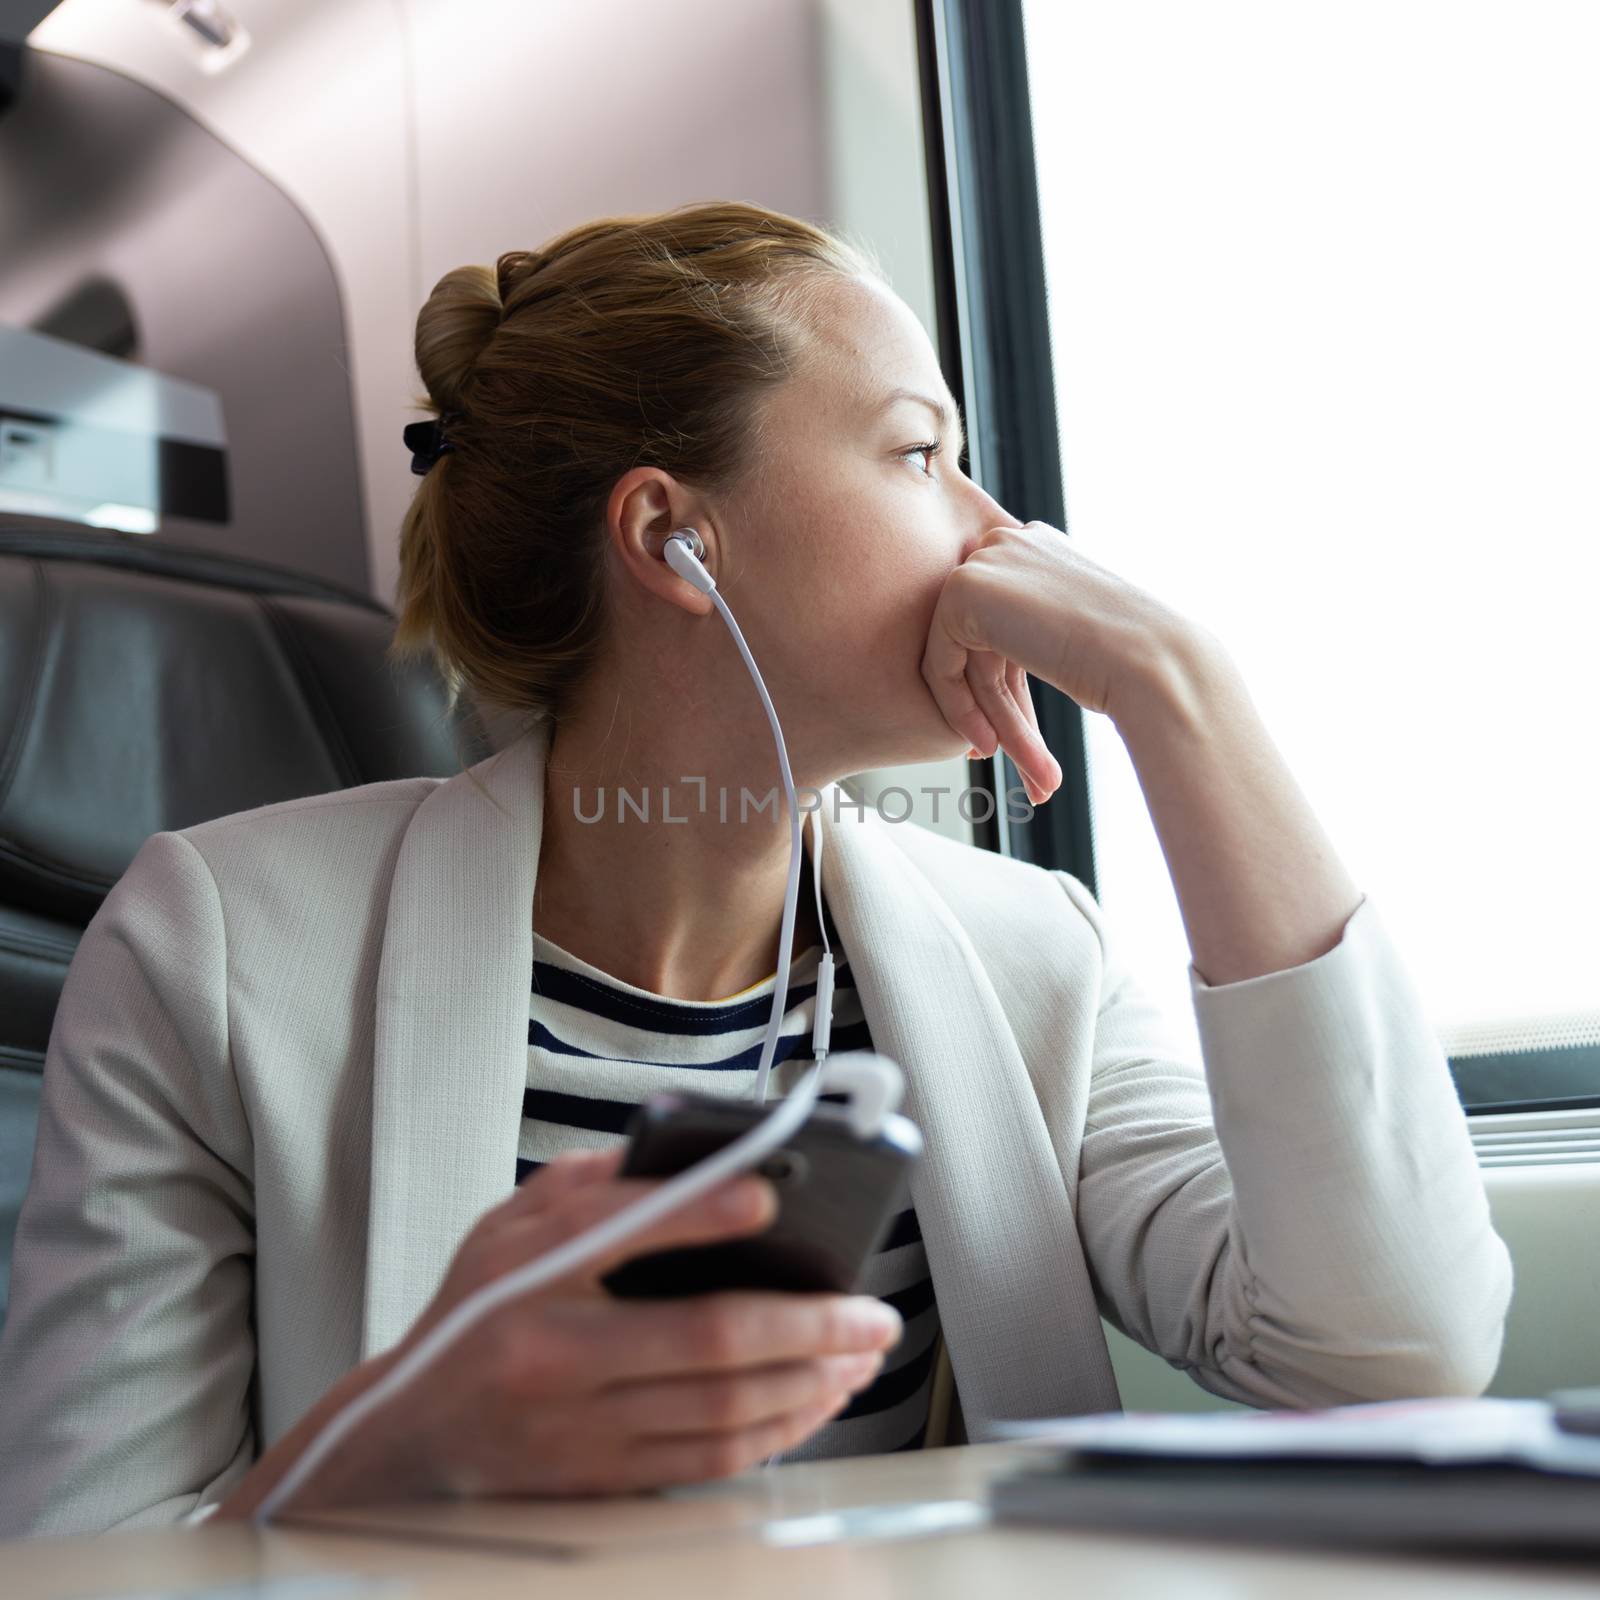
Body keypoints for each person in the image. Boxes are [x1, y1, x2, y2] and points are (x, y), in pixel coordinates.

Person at [0, 200, 1512, 1536]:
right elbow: (83, 1553)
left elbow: (1386, 1355)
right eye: (922, 455)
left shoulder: (1031, 949)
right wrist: (391, 1452)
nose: (999, 539)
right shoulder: (215, 947)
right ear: (676, 538)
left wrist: (1186, 702)